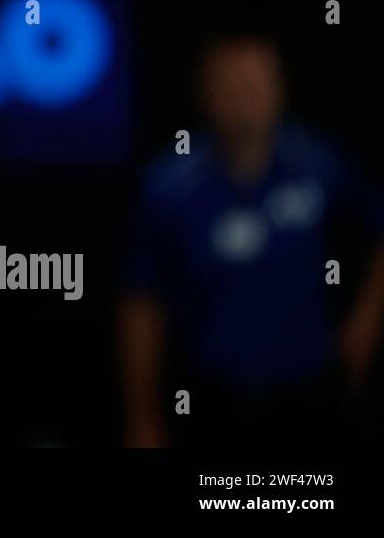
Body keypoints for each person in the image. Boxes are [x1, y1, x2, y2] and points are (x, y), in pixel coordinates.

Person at [118, 31, 384, 448]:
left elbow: (376, 227)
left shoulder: (320, 164)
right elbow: (141, 304)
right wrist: (142, 416)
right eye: (230, 84)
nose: (245, 98)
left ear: (279, 87)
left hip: (309, 393)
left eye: (256, 82)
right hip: (210, 398)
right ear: (204, 92)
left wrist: (365, 323)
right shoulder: (167, 188)